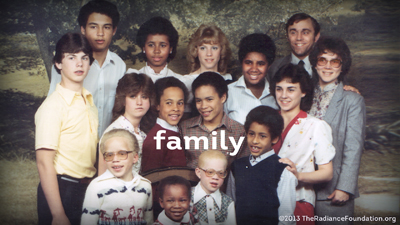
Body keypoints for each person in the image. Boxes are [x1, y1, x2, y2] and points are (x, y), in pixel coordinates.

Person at [35, 33, 97, 225]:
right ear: (58, 63)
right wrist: (58, 214)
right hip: (61, 190)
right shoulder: (53, 106)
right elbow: (44, 162)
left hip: (86, 189)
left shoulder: (88, 100)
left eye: (84, 58)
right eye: (71, 57)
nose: (79, 64)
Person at [47, 0, 126, 137]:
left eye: (106, 27)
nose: (100, 33)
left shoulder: (119, 65)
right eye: (93, 27)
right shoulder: (68, 65)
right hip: (75, 145)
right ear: (83, 29)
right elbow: (52, 110)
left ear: (114, 31)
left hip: (107, 147)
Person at [308, 36, 366, 224]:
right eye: (322, 60)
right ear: (315, 63)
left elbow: (353, 147)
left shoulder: (352, 100)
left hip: (333, 192)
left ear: (342, 66)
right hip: (302, 188)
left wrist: (345, 188)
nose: (328, 66)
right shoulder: (303, 94)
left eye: (335, 61)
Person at [270, 64, 335, 225]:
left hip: (299, 200)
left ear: (304, 91)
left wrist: (298, 176)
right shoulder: (267, 121)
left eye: (291, 89)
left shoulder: (315, 125)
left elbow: (327, 173)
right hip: (267, 199)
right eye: (279, 89)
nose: (283, 95)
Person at [227, 106, 297, 225]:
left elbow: (286, 217)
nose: (255, 141)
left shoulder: (282, 170)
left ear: (274, 138)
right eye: (251, 134)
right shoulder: (237, 166)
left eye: (262, 136)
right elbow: (230, 206)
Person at [267, 13, 359, 94]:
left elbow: (342, 95)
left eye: (305, 32)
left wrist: (350, 92)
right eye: (293, 32)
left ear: (316, 36)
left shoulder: (330, 66)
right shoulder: (275, 68)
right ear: (287, 36)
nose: (299, 38)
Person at [81, 129, 153, 225]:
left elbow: (149, 221)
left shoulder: (145, 185)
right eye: (109, 155)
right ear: (104, 160)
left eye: (122, 154)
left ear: (135, 157)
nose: (115, 160)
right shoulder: (97, 186)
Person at [180, 72, 246, 169]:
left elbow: (242, 170)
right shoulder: (185, 128)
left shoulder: (239, 131)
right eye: (199, 101)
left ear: (223, 97)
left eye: (209, 99)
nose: (203, 106)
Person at [98, 73, 157, 175]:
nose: (139, 102)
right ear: (123, 100)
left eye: (144, 96)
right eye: (133, 96)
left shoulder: (142, 131)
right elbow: (103, 175)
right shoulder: (116, 132)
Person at [224, 33, 278, 125]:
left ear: (269, 66)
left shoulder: (278, 93)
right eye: (248, 63)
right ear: (241, 63)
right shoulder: (228, 92)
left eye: (260, 64)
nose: (254, 69)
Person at [141, 77, 188, 173]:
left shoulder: (177, 131)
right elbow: (151, 179)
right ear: (157, 105)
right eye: (169, 103)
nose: (175, 108)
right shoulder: (156, 139)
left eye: (180, 103)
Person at [183, 24, 233, 114]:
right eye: (203, 48)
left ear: (221, 50)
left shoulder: (230, 81)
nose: (209, 54)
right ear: (196, 51)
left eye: (214, 48)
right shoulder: (186, 82)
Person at [126, 16, 182, 82]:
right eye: (151, 45)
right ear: (143, 47)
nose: (156, 51)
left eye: (163, 45)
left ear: (170, 49)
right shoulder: (132, 79)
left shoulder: (179, 80)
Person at [191, 150, 236, 225]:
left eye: (220, 173)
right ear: (199, 173)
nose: (215, 177)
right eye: (210, 172)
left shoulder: (228, 202)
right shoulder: (186, 197)